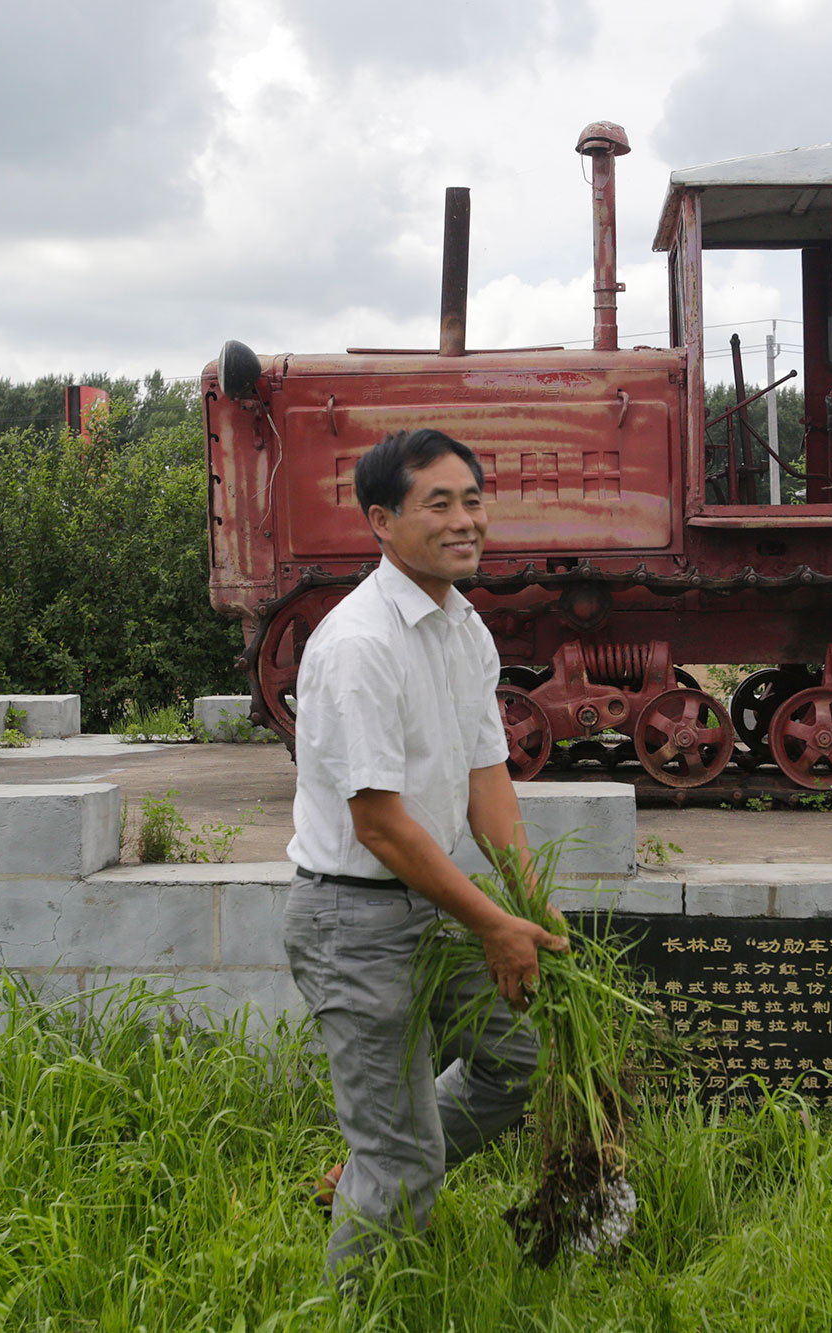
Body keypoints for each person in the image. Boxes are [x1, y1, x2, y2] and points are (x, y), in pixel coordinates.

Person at [281, 427, 568, 1281]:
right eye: (437, 504)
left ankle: (365, 1170)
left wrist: (526, 896)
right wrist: (495, 923)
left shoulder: (462, 624)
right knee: (404, 1165)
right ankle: (358, 1281)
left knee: (517, 1062)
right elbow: (380, 825)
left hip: (431, 903)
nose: (464, 519)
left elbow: (488, 780)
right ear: (382, 521)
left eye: (473, 500)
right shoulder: (359, 644)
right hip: (353, 916)